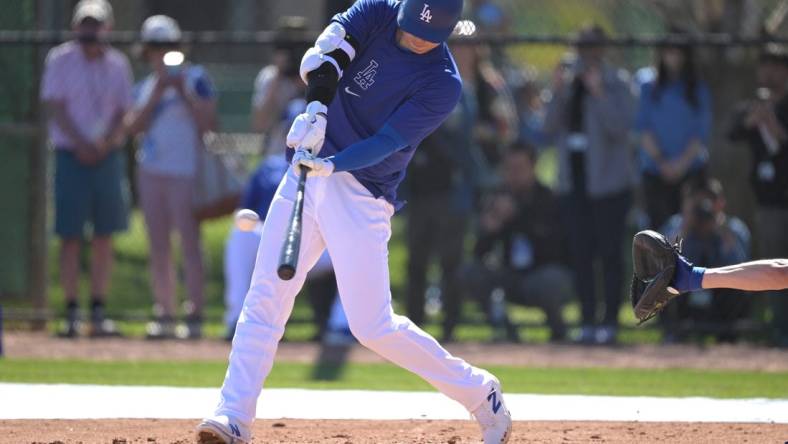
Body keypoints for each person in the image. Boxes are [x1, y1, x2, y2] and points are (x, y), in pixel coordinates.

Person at [196, 1, 512, 443]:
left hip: (363, 190)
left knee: (372, 326)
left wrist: (334, 162)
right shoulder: (377, 10)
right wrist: (315, 112)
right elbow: (324, 55)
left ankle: (482, 394)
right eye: (412, 27)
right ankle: (232, 416)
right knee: (266, 294)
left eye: (431, 35)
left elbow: (386, 142)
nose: (417, 39)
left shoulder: (442, 83)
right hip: (309, 167)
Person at [40, 0, 132, 338]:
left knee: (104, 235)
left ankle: (98, 310)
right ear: (76, 27)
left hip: (107, 157)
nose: (90, 31)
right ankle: (71, 312)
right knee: (70, 235)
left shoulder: (118, 65)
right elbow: (56, 106)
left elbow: (124, 110)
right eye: (85, 24)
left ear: (107, 28)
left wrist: (105, 143)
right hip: (70, 155)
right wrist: (81, 143)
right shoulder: (60, 60)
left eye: (96, 24)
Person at [123, 15, 217, 340]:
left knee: (190, 244)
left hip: (186, 172)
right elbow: (132, 127)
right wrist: (159, 91)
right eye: (155, 47)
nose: (161, 53)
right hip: (151, 172)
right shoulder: (145, 85)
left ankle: (194, 312)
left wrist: (182, 92)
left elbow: (209, 123)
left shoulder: (197, 78)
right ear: (146, 52)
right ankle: (164, 311)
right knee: (158, 245)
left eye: (167, 46)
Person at [544, 25, 636, 345]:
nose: (587, 54)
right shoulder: (569, 82)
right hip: (575, 182)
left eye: (593, 47)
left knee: (609, 254)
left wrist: (599, 93)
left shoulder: (617, 83)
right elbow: (549, 125)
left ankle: (609, 321)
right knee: (581, 254)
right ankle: (585, 319)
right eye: (582, 47)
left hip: (609, 185)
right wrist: (558, 91)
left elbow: (621, 128)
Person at [462, 143, 571, 342]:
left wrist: (518, 216)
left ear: (533, 167)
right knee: (470, 273)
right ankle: (505, 329)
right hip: (510, 275)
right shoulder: (497, 198)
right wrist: (491, 229)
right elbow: (478, 254)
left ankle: (558, 331)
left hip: (541, 274)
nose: (514, 174)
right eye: (509, 169)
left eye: (520, 168)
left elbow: (557, 250)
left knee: (550, 281)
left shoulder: (548, 199)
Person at [728, 44, 788, 347]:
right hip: (768, 201)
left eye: (777, 65)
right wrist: (755, 119)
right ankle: (779, 329)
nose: (770, 72)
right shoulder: (752, 104)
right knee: (775, 269)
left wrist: (774, 123)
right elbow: (733, 131)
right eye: (765, 65)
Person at [636, 31, 712, 229]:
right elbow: (642, 128)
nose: (674, 56)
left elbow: (700, 134)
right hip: (655, 172)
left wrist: (680, 165)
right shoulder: (646, 85)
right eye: (669, 51)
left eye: (679, 51)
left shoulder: (698, 89)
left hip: (690, 172)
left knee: (692, 231)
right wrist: (662, 162)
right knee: (658, 235)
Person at [660, 178, 751, 342]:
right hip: (685, 292)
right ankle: (674, 334)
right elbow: (663, 263)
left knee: (738, 284)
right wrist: (686, 227)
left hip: (720, 292)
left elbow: (743, 266)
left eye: (709, 201)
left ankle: (728, 337)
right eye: (697, 202)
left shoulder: (734, 228)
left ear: (721, 203)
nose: (703, 208)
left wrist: (721, 229)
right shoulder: (676, 225)